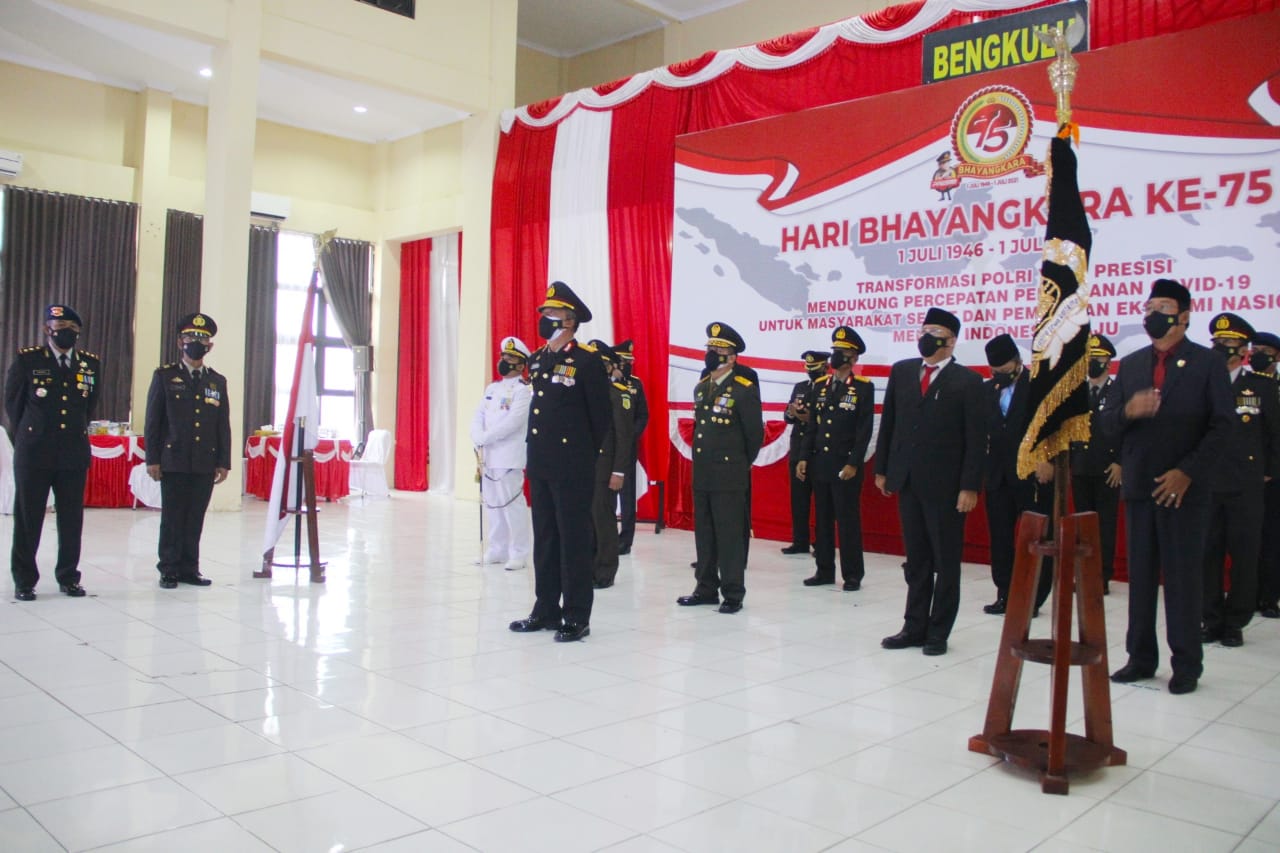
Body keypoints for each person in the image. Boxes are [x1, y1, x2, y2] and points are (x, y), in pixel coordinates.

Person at [1104, 278, 1234, 695]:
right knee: (1140, 579)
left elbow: (1223, 426)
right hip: (1141, 486)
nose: (1152, 315)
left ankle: (1187, 665)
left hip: (1184, 490)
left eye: (1162, 308)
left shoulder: (1207, 363)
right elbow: (1107, 424)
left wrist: (1187, 472)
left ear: (1183, 315)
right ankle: (1140, 658)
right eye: (1148, 308)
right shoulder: (1131, 364)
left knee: (1182, 580)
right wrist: (1129, 409)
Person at [874, 307, 985, 656]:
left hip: (946, 487)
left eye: (934, 332)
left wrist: (969, 486)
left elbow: (976, 439)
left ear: (951, 341)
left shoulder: (968, 382)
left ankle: (938, 631)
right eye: (923, 330)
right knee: (916, 559)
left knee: (946, 562)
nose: (926, 337)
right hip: (908, 480)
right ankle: (913, 625)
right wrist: (883, 469)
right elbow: (890, 423)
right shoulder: (903, 371)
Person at [509, 282, 611, 642]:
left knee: (573, 541)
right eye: (544, 313)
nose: (545, 318)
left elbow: (601, 419)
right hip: (541, 462)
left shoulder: (586, 361)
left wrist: (582, 458)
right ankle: (546, 609)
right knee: (546, 539)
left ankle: (576, 615)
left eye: (551, 314)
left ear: (569, 320)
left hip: (572, 465)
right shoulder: (538, 359)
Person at [6, 304, 99, 601]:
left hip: (72, 452)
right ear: (48, 329)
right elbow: (14, 407)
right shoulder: (28, 360)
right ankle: (24, 580)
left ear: (78, 332)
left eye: (71, 329)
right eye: (59, 329)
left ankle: (68, 577)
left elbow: (89, 407)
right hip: (34, 452)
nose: (65, 334)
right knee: (28, 517)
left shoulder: (89, 364)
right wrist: (29, 436)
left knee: (71, 519)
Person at [1201, 314, 1280, 647]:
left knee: (1245, 556)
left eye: (1228, 343)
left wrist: (1269, 470)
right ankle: (1211, 618)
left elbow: (1275, 434)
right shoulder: (1202, 383)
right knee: (1208, 554)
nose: (1221, 348)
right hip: (1207, 483)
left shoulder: (1261, 387)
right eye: (1217, 343)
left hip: (1246, 485)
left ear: (1244, 350)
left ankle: (1235, 621)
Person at [677, 322, 763, 614]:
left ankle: (733, 593)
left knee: (729, 536)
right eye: (710, 347)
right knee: (704, 535)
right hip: (703, 472)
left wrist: (738, 465)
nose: (712, 352)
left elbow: (754, 436)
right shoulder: (702, 387)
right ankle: (705, 588)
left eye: (718, 348)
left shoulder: (743, 389)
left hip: (729, 474)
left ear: (732, 356)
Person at [144, 313, 232, 589]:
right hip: (173, 459)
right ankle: (169, 568)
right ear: (180, 342)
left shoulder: (217, 381)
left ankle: (189, 568)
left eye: (202, 339)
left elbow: (222, 425)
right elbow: (153, 422)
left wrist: (224, 461)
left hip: (204, 460)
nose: (196, 342)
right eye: (191, 337)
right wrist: (152, 459)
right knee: (172, 518)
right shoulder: (165, 376)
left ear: (210, 346)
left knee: (195, 518)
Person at [981, 333, 1054, 616]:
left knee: (1036, 538)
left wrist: (1047, 458)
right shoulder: (988, 390)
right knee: (1001, 538)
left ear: (1017, 361)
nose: (999, 375)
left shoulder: (1039, 385)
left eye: (1004, 369)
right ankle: (1005, 593)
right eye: (994, 371)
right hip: (998, 475)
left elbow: (1054, 428)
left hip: (1033, 474)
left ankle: (1033, 597)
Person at [796, 329, 872, 590]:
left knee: (847, 521)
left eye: (842, 352)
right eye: (835, 351)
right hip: (821, 463)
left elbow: (864, 431)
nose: (836, 356)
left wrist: (853, 463)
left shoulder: (862, 387)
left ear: (853, 357)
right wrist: (804, 457)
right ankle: (824, 570)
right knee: (823, 519)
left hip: (844, 465)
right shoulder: (821, 385)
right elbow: (813, 426)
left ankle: (852, 574)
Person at [469, 336, 533, 571]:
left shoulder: (523, 391)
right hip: (488, 457)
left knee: (511, 505)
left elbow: (513, 422)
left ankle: (519, 552)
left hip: (509, 456)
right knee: (493, 504)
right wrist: (476, 435)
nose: (504, 361)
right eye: (503, 356)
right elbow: (479, 416)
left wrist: (485, 437)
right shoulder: (492, 389)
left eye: (510, 357)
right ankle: (497, 549)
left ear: (521, 364)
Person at [1069, 334, 1121, 595]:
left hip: (1107, 469)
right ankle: (1083, 574)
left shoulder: (1117, 392)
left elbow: (1126, 429)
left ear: (1108, 362)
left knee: (1104, 526)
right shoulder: (1077, 392)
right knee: (1082, 526)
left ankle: (1102, 577)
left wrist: (1121, 462)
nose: (1092, 363)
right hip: (1080, 467)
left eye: (1097, 358)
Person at [585, 340, 633, 589]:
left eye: (600, 364)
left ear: (610, 367)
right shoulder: (585, 392)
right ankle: (588, 566)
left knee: (603, 519)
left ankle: (605, 570)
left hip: (606, 467)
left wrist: (618, 471)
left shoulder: (618, 394)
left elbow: (624, 437)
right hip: (585, 466)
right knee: (587, 520)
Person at [783, 350, 829, 556]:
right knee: (798, 500)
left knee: (822, 501)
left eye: (815, 368)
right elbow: (788, 416)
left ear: (825, 367)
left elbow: (828, 419)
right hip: (798, 447)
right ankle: (799, 541)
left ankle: (822, 543)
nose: (811, 371)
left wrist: (808, 417)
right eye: (808, 368)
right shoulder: (800, 387)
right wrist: (792, 413)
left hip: (819, 450)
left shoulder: (829, 387)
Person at [1252, 330, 1280, 618]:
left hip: (1275, 475)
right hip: (1247, 473)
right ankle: (1248, 595)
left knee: (1272, 537)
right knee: (1247, 538)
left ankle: (1270, 596)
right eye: (1255, 349)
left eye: (1265, 351)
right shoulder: (1246, 386)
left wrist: (1272, 470)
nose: (1258, 355)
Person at [613, 340, 648, 555]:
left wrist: (629, 436)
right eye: (624, 361)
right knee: (605, 496)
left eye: (630, 362)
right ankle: (607, 536)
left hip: (627, 447)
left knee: (627, 496)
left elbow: (643, 415)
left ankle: (626, 540)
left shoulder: (636, 384)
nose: (628, 365)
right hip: (606, 447)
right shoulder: (603, 382)